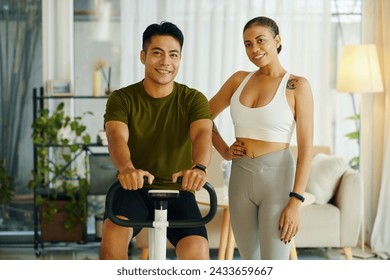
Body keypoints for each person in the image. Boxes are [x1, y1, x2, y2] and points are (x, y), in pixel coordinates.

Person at [100, 21, 213, 260]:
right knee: (112, 236)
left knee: (197, 251)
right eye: (157, 53)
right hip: (133, 188)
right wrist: (127, 168)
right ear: (143, 56)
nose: (165, 62)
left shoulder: (193, 99)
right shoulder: (122, 98)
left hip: (178, 191)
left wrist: (199, 167)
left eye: (173, 55)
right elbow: (115, 135)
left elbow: (203, 134)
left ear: (180, 59)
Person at [209, 16, 313, 260]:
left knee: (274, 263)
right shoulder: (238, 80)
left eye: (260, 40)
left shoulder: (297, 85)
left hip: (278, 181)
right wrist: (224, 150)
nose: (254, 49)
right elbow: (202, 117)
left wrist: (296, 203)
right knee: (249, 262)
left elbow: (306, 149)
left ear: (277, 41)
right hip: (240, 178)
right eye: (247, 44)